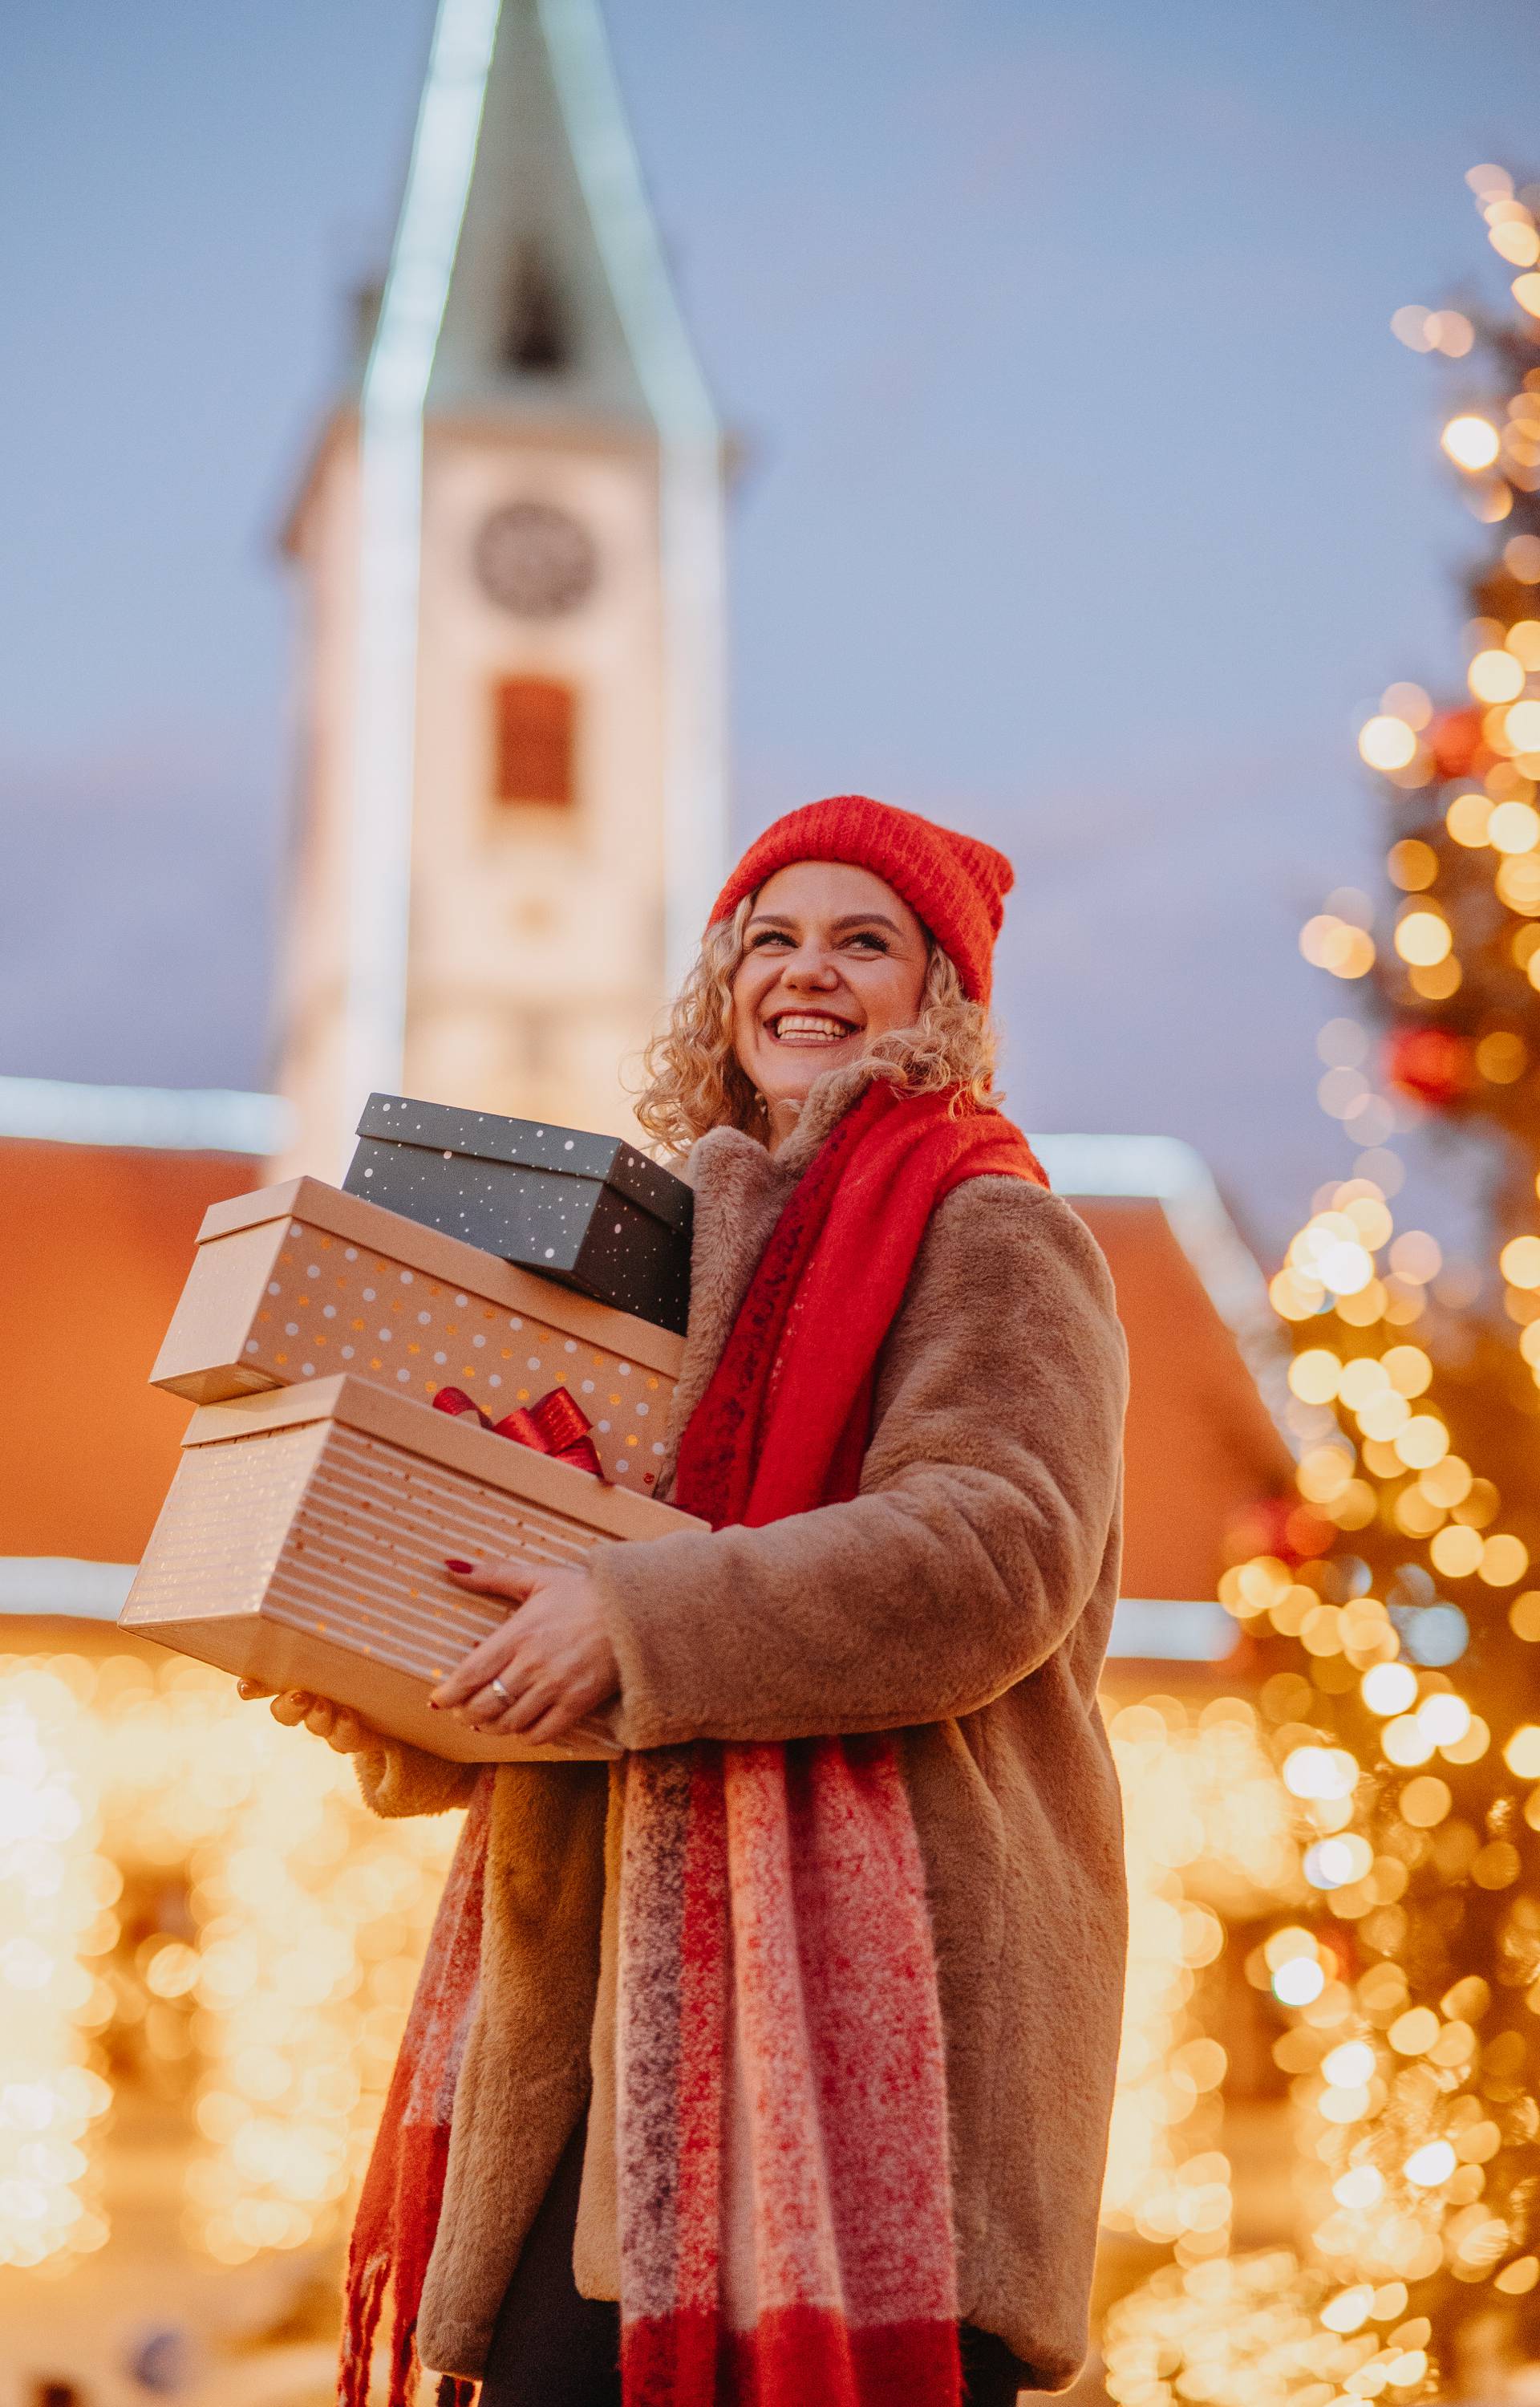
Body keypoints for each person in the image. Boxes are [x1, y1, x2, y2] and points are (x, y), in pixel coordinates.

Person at [249, 796, 1129, 2407]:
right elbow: (567, 1560)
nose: (806, 973)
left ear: (940, 998)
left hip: (881, 2050)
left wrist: (640, 1620)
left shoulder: (994, 1227)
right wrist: (395, 1676)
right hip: (609, 2019)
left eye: (865, 941)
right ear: (721, 983)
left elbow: (993, 1555)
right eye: (770, 939)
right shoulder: (669, 1250)